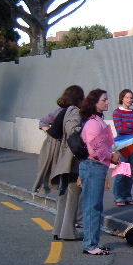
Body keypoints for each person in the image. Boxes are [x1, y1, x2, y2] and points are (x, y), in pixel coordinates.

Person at [79, 89, 120, 255]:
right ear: (95, 102)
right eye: (104, 100)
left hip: (97, 166)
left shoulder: (97, 121)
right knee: (92, 205)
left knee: (95, 205)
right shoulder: (93, 123)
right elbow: (95, 150)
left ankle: (93, 242)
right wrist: (112, 157)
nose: (107, 102)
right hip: (92, 166)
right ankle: (90, 245)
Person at [50, 85, 85, 241]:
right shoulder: (75, 111)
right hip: (72, 159)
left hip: (64, 158)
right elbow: (72, 129)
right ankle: (68, 232)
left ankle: (58, 230)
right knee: (73, 195)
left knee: (64, 195)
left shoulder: (63, 110)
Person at [112, 89, 133, 206]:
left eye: (131, 98)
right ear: (122, 98)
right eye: (127, 97)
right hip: (122, 145)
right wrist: (132, 127)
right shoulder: (117, 112)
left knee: (130, 173)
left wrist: (128, 126)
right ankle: (118, 197)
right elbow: (120, 129)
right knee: (121, 172)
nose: (129, 100)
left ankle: (127, 195)